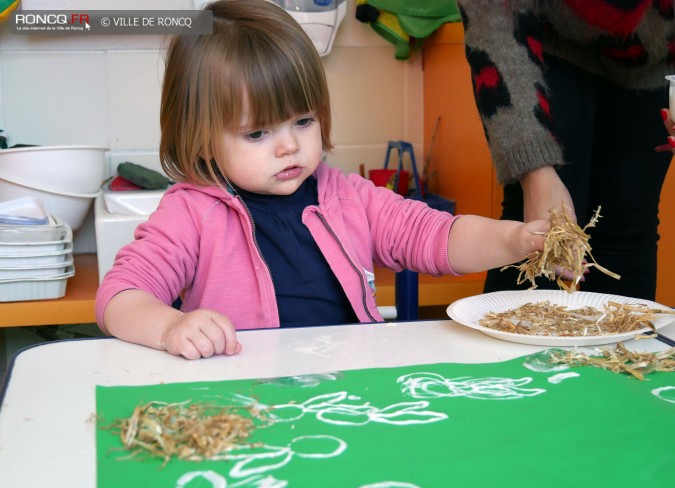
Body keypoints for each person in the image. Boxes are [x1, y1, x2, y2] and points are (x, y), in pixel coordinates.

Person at [95, 0, 549, 360]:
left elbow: (435, 234)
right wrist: (171, 326)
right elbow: (119, 296)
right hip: (245, 395)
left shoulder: (347, 196)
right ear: (201, 139)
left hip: (348, 389)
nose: (288, 146)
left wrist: (513, 240)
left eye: (303, 121)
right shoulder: (191, 212)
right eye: (257, 133)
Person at [457, 0, 675, 300]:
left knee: (629, 225)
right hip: (543, 40)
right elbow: (493, 14)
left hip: (658, 59)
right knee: (541, 234)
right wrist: (535, 172)